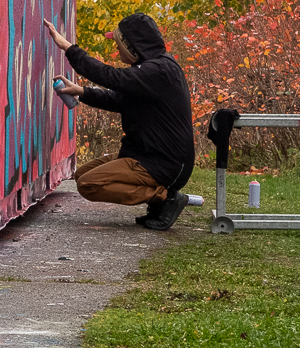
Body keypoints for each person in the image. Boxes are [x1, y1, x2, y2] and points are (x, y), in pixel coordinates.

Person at [44, 13, 195, 230]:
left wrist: (68, 48)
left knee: (89, 184)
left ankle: (165, 197)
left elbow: (109, 76)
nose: (116, 48)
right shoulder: (151, 71)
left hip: (162, 164)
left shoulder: (159, 71)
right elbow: (119, 101)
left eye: (118, 43)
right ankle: (158, 201)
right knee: (81, 175)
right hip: (145, 155)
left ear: (132, 46)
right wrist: (82, 92)